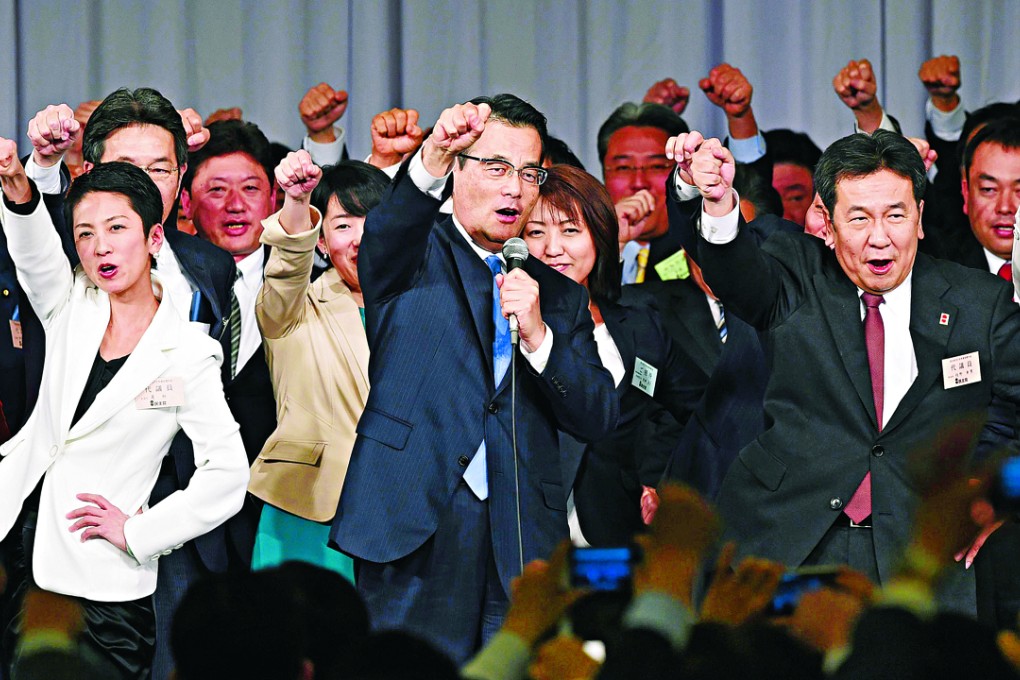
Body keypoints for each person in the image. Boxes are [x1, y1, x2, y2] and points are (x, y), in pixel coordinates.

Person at [670, 128, 1020, 615]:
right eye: (859, 218)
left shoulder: (979, 303)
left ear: (920, 217)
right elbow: (735, 272)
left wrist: (990, 487)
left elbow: (1013, 411)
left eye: (896, 215)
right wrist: (714, 198)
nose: (880, 238)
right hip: (787, 540)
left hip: (923, 555)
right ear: (827, 225)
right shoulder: (795, 276)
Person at [329, 94, 619, 664]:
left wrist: (539, 338)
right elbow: (392, 224)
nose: (514, 188)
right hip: (411, 523)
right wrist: (432, 152)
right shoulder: (411, 251)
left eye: (528, 172)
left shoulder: (556, 292)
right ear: (458, 170)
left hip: (518, 535)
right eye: (495, 167)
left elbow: (598, 414)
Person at [0, 151, 248, 679]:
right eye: (85, 233)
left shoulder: (187, 351)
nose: (100, 246)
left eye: (116, 227)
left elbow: (228, 474)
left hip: (101, 583)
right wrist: (16, 180)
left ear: (155, 238)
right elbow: (33, 251)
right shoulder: (70, 303)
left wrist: (141, 531)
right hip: (15, 554)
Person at [521, 164, 706, 545]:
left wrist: (661, 482)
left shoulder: (640, 324)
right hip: (526, 533)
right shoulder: (505, 320)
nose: (552, 249)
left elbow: (702, 408)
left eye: (570, 230)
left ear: (600, 236)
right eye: (536, 232)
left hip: (616, 535)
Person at [248, 153, 389, 582]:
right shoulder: (292, 309)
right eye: (343, 225)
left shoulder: (426, 310)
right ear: (322, 242)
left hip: (400, 516)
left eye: (373, 220)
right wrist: (297, 200)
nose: (360, 238)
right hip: (308, 514)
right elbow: (287, 269)